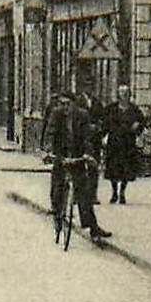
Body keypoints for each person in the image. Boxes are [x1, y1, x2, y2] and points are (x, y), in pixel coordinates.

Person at [41, 90, 111, 241]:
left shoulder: (83, 115)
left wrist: (88, 154)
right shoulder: (56, 114)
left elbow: (87, 138)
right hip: (61, 155)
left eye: (67, 104)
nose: (64, 107)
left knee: (84, 194)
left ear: (74, 104)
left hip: (77, 156)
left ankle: (93, 228)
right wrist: (48, 151)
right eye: (62, 104)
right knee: (57, 189)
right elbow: (50, 134)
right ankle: (57, 216)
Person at [102, 84, 146, 205]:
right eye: (121, 92)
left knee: (126, 169)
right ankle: (114, 191)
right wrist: (104, 136)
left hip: (128, 142)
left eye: (126, 92)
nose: (124, 94)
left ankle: (122, 192)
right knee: (113, 168)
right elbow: (105, 122)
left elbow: (142, 121)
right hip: (114, 142)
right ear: (118, 94)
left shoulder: (133, 109)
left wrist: (137, 127)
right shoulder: (111, 108)